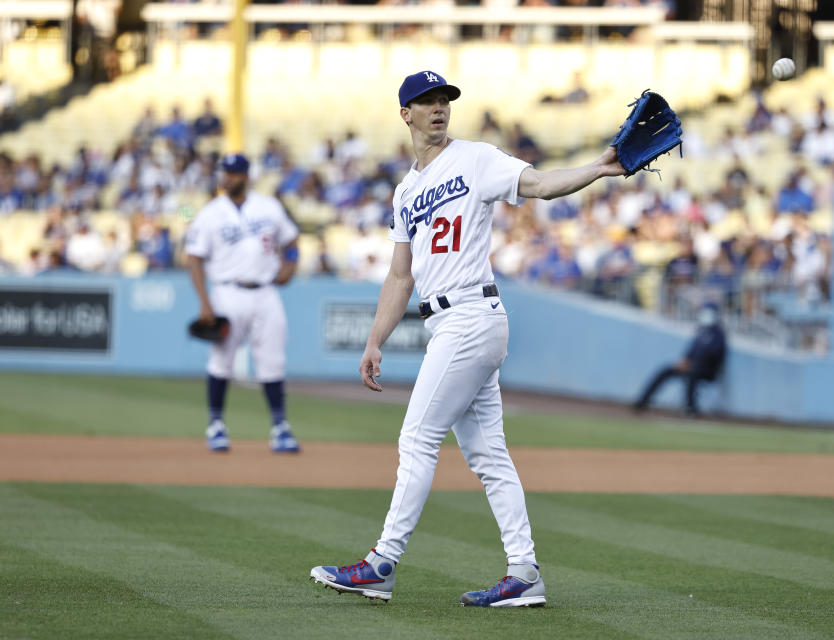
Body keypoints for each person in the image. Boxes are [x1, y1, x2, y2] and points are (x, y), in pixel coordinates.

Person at [309, 70, 628, 608]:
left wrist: (597, 168)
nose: (438, 108)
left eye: (444, 100)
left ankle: (382, 562)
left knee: (417, 439)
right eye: (426, 101)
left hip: (470, 316)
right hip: (451, 322)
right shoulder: (405, 190)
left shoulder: (476, 158)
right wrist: (374, 340)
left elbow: (541, 185)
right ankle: (524, 574)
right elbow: (399, 276)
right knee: (489, 456)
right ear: (405, 113)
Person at [184, 153, 302, 453]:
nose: (227, 177)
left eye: (233, 173)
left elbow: (291, 242)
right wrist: (205, 303)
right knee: (221, 361)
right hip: (227, 292)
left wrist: (289, 267)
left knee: (273, 362)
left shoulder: (269, 207)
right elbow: (194, 258)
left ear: (246, 177)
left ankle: (280, 428)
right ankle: (216, 425)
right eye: (225, 171)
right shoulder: (210, 213)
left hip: (265, 291)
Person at [633, 302, 726, 416]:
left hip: (706, 371)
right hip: (691, 367)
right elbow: (691, 351)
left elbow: (714, 354)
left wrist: (694, 363)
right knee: (665, 370)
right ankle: (642, 401)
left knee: (693, 373)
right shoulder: (700, 331)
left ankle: (691, 408)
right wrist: (684, 361)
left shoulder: (718, 334)